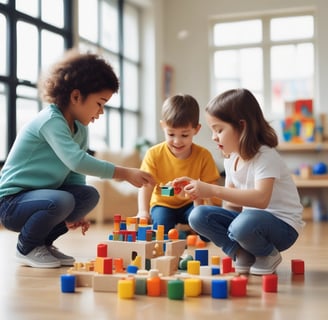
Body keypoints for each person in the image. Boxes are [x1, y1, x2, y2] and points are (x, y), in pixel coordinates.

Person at [0, 49, 154, 269]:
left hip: (42, 198)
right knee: (63, 201)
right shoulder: (50, 121)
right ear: (75, 96)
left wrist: (77, 213)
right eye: (100, 103)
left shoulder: (80, 129)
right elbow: (76, 160)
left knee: (87, 196)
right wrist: (124, 173)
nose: (101, 112)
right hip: (12, 203)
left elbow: (74, 174)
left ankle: (43, 243)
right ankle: (26, 247)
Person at [173, 88, 304, 275]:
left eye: (219, 129)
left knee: (242, 224)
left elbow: (261, 199)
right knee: (197, 216)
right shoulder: (231, 158)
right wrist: (200, 195)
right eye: (212, 130)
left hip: (283, 227)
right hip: (249, 223)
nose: (213, 136)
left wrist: (212, 190)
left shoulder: (265, 156)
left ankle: (268, 254)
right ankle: (241, 253)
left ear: (242, 126)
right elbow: (232, 206)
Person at [136, 94, 220, 234]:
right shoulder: (154, 154)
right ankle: (178, 235)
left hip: (191, 204)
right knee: (162, 228)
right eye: (171, 134)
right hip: (163, 204)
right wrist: (143, 212)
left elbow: (212, 189)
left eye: (185, 135)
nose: (177, 141)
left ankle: (189, 232)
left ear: (196, 130)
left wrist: (194, 195)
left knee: (205, 221)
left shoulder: (203, 156)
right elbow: (148, 186)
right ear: (163, 126)